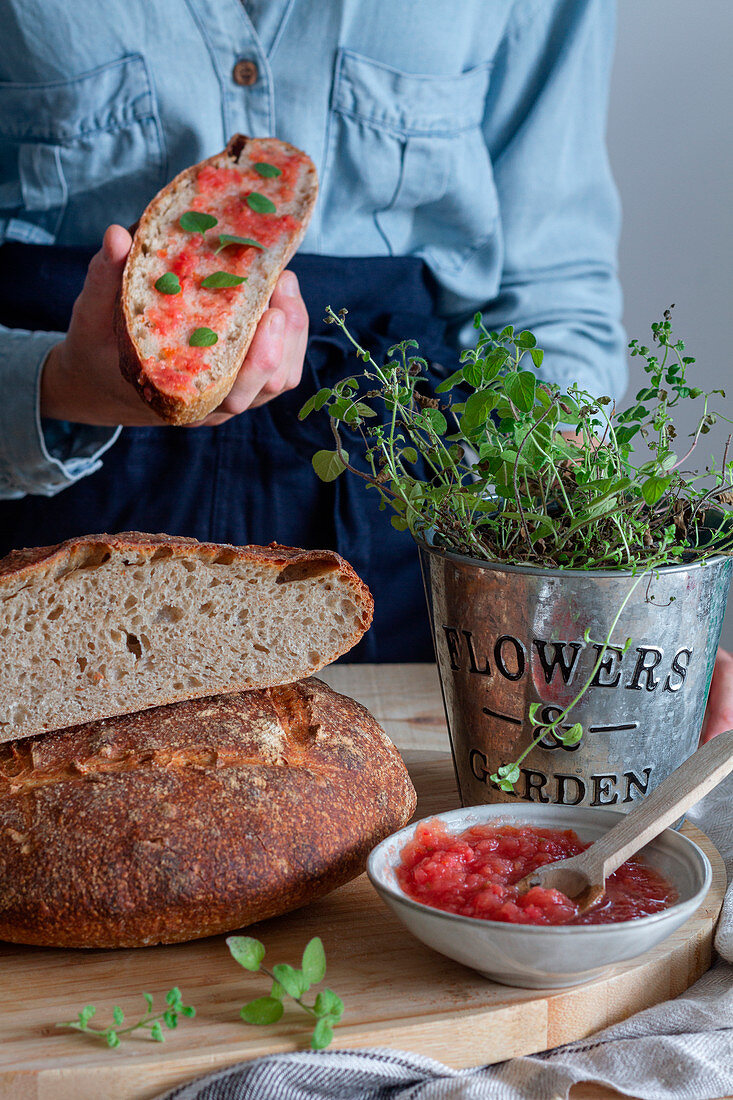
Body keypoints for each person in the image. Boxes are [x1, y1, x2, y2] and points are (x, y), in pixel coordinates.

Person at [0, 0, 730, 731]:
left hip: (396, 503)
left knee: (386, 800)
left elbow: (548, 291)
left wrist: (599, 593)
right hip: (47, 494)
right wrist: (60, 381)